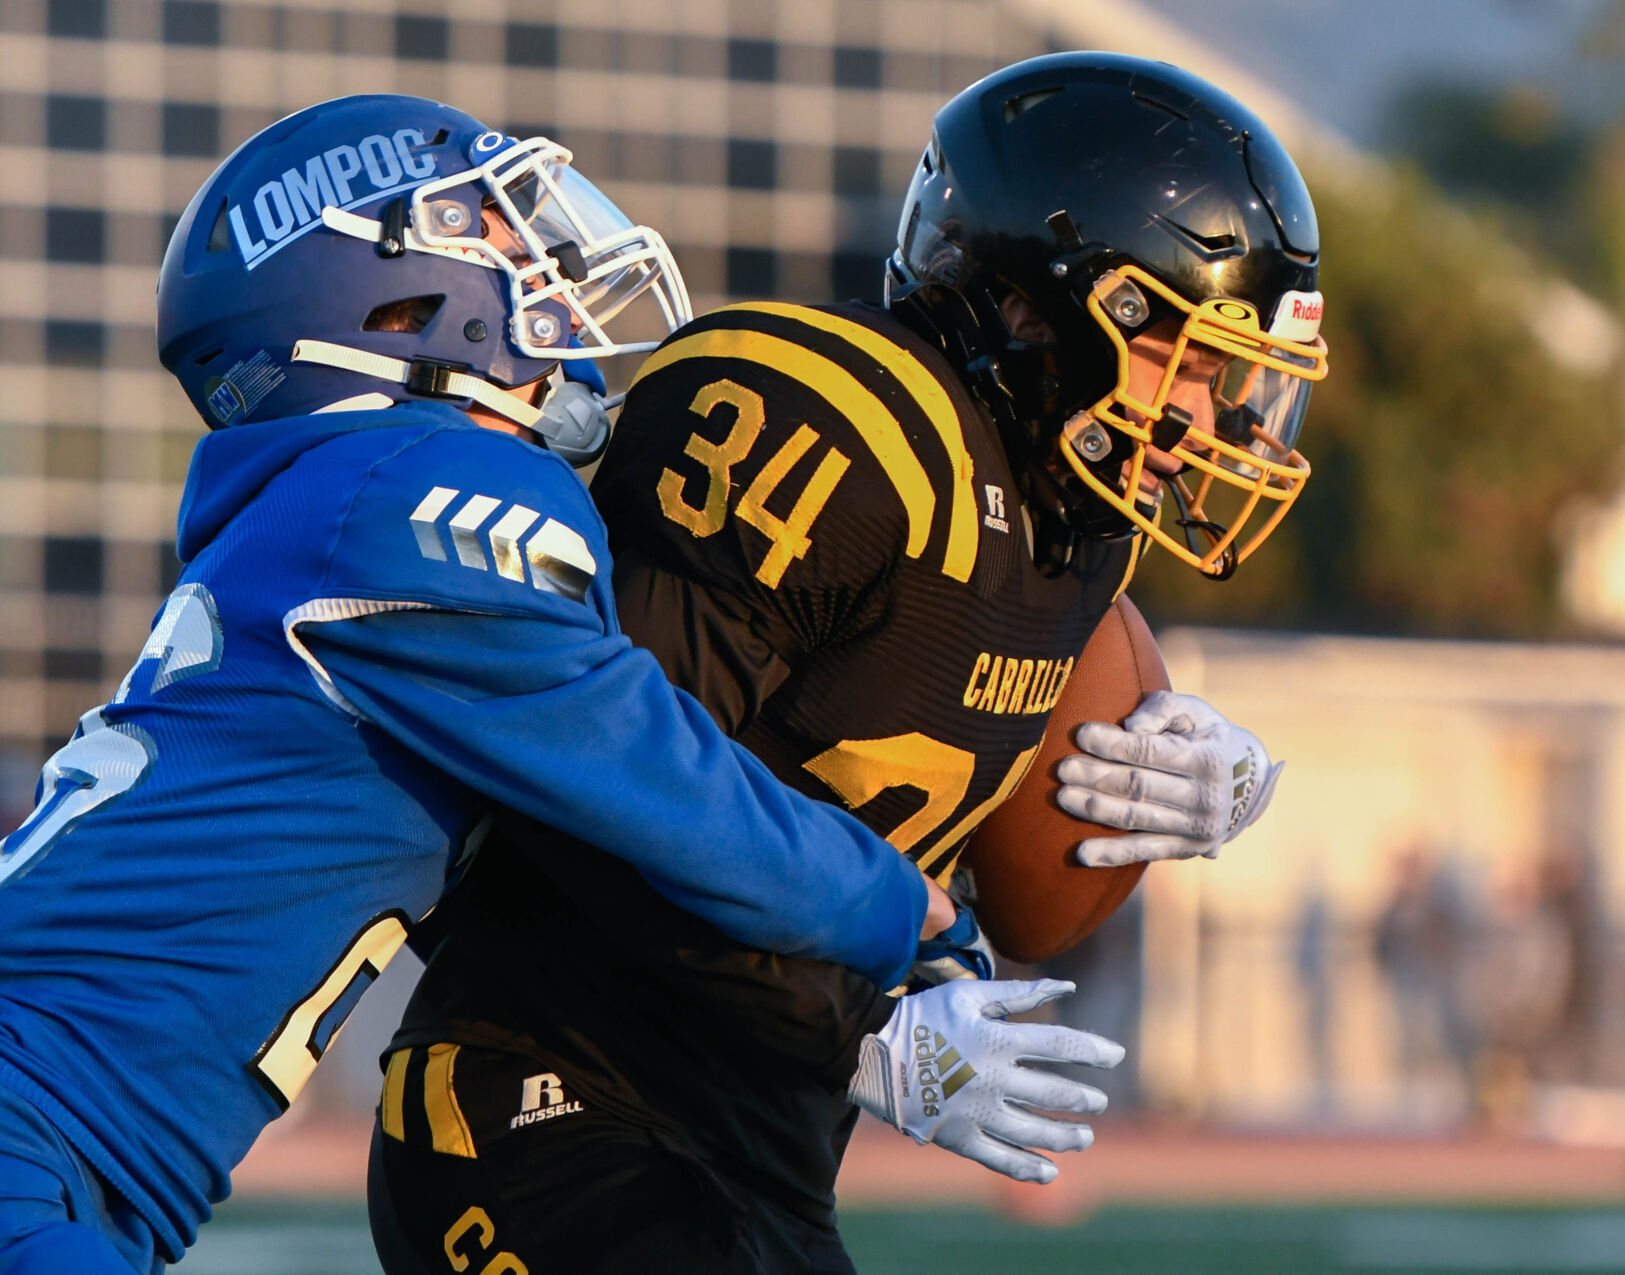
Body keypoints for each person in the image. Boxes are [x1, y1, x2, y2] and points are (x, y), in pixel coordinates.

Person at [0, 93, 996, 1274]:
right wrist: (906, 913)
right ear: (389, 302)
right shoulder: (412, 489)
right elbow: (659, 779)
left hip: (63, 1156)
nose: (544, 261)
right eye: (494, 232)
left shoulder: (342, 503)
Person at [370, 53, 1327, 1275]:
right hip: (544, 1105)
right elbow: (595, 792)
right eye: (1182, 362)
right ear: (1036, 311)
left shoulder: (1072, 536)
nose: (1203, 420)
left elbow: (994, 896)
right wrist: (866, 1028)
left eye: (1222, 376)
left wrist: (1144, 785)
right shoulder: (834, 427)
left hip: (765, 1152)